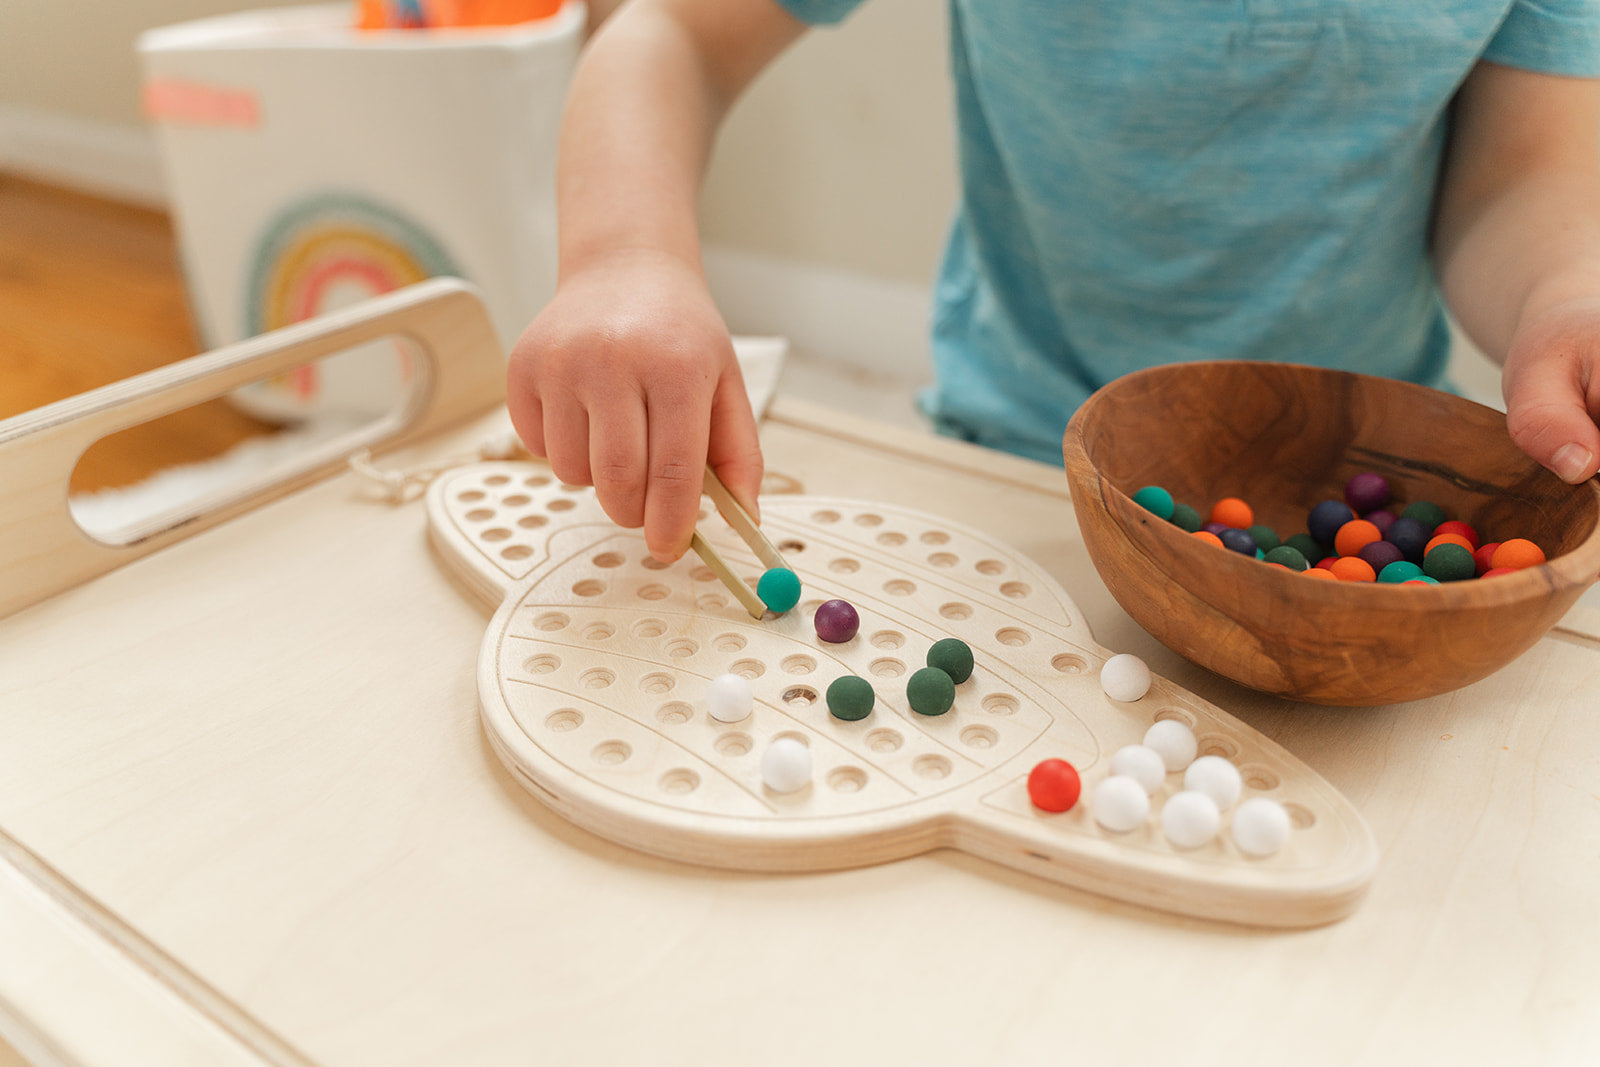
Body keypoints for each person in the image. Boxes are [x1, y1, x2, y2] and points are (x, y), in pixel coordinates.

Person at [506, 0, 1600, 562]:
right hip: (1017, 454)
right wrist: (625, 257)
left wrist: (1562, 297)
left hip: (1361, 493)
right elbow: (676, 33)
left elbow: (1517, 181)